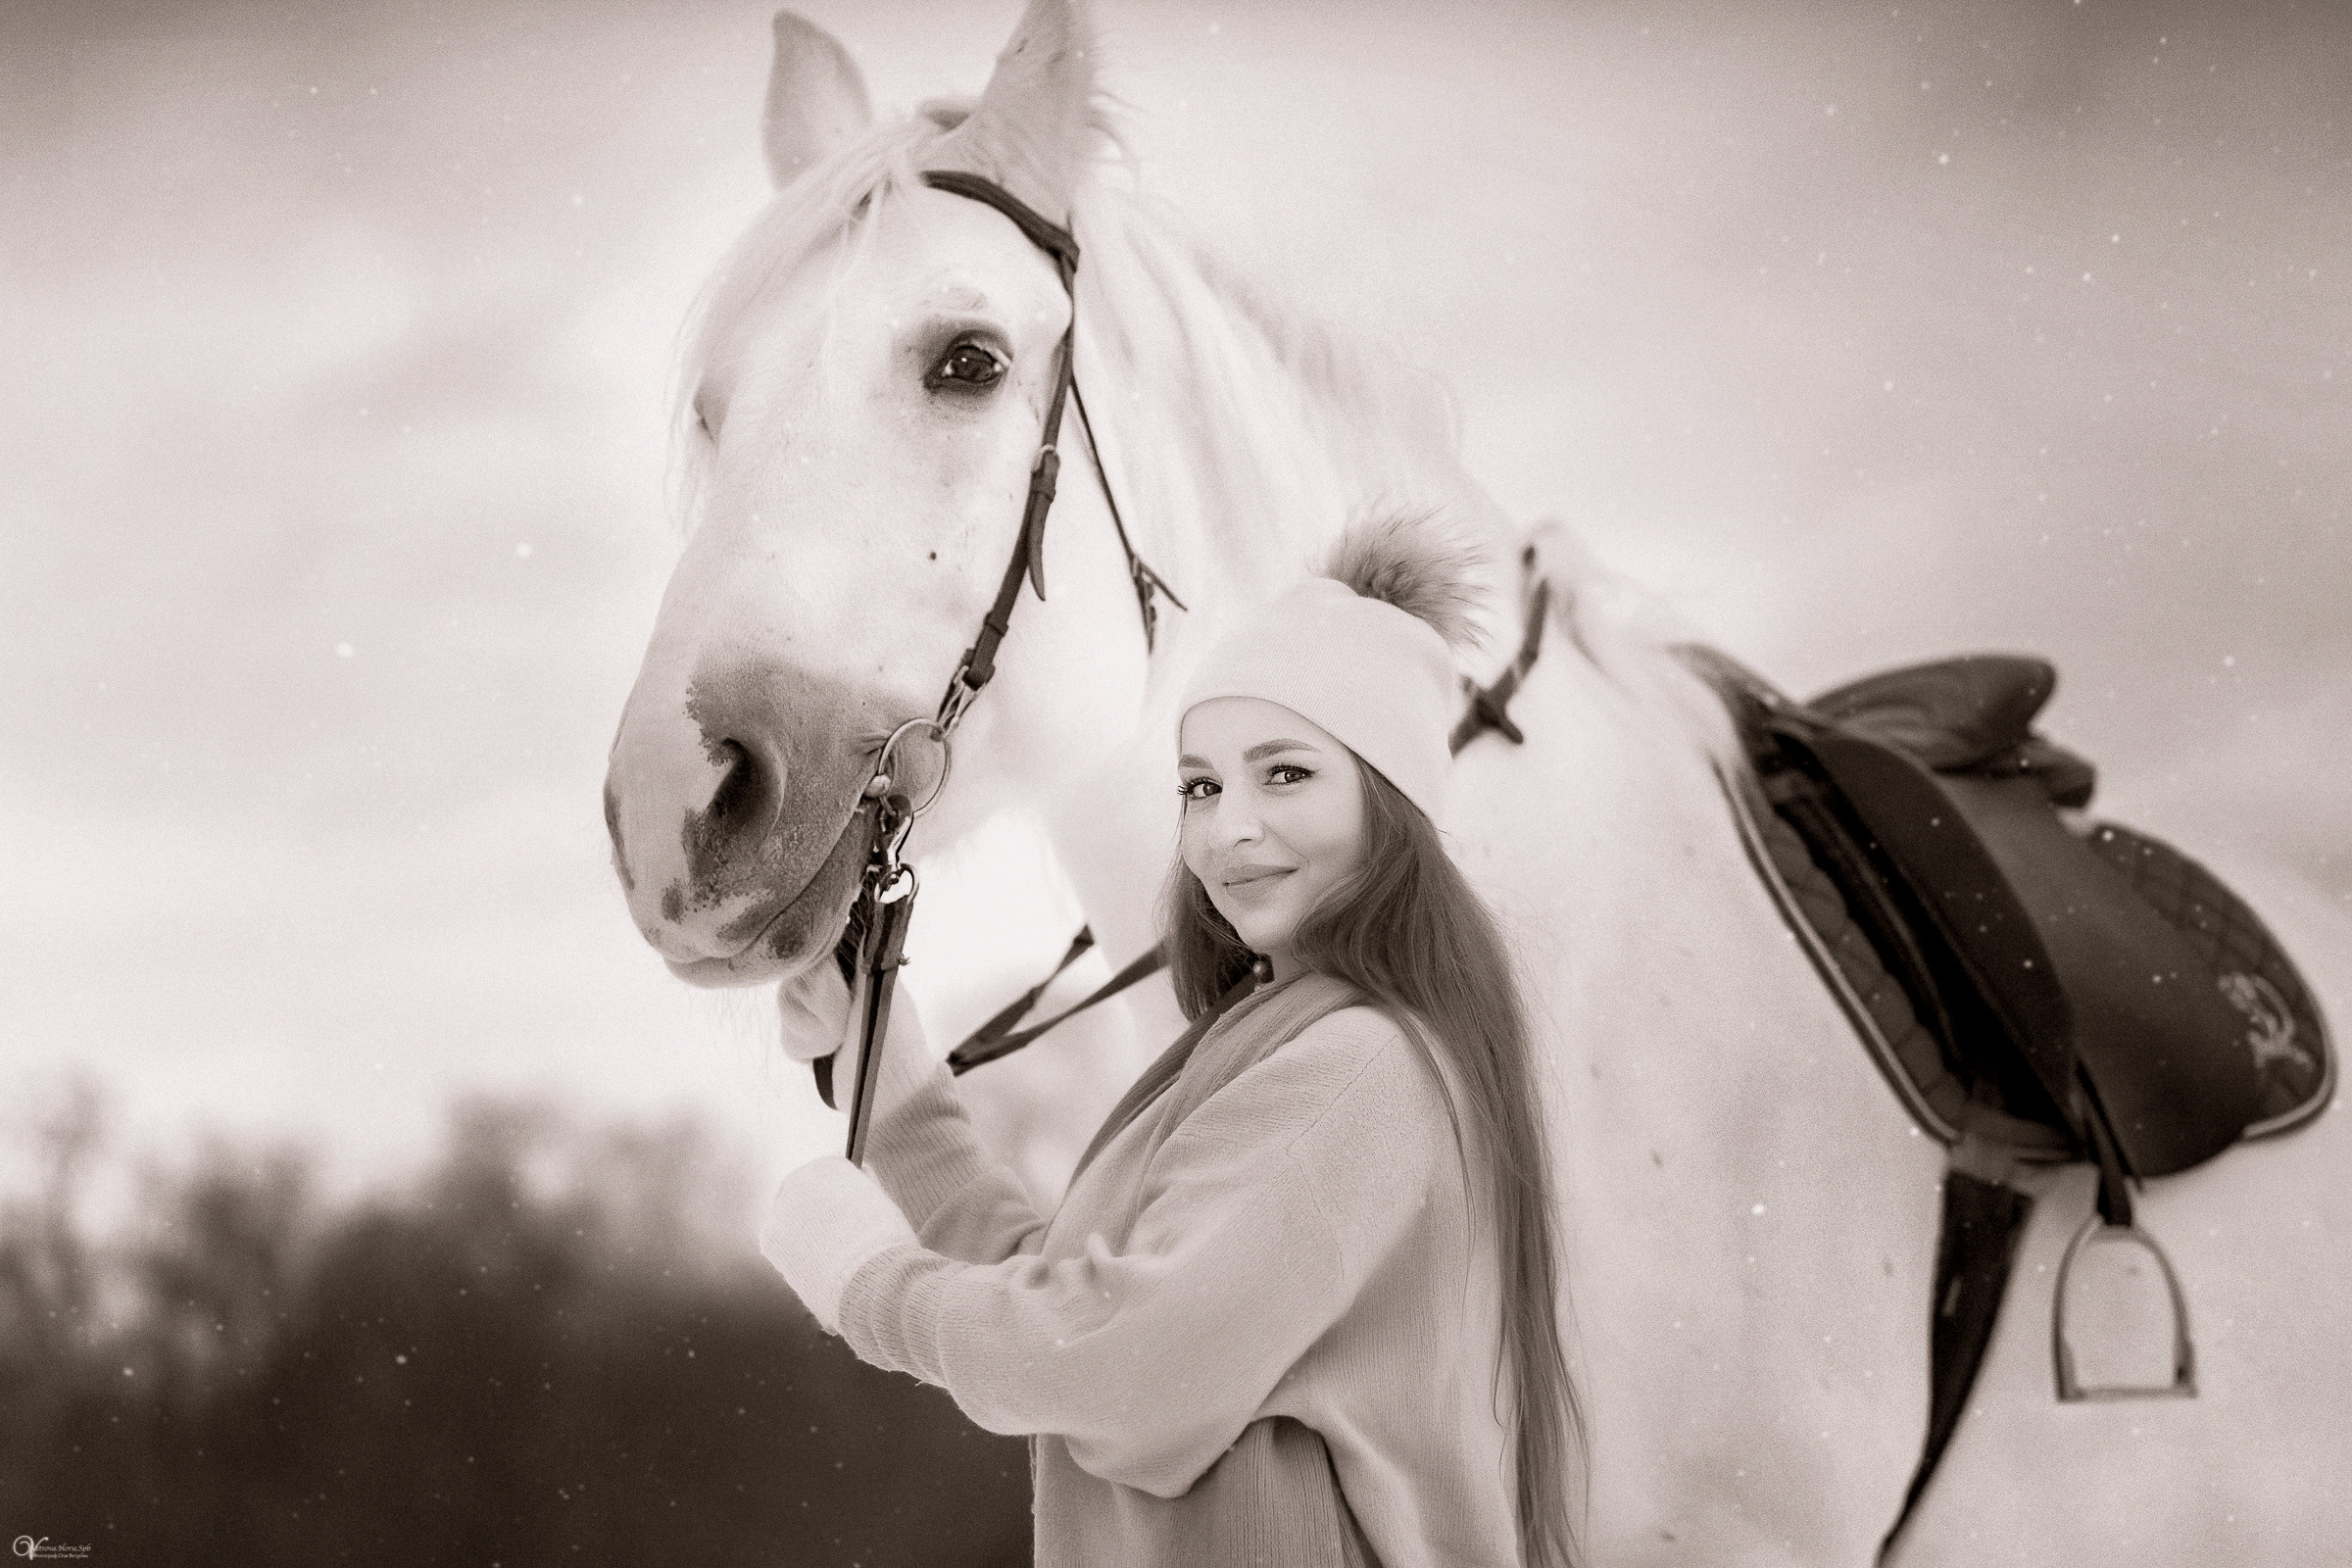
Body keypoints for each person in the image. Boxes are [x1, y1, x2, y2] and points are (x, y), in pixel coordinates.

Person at [761, 520, 1581, 1568]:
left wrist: (868, 1284)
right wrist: (891, 1082)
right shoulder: (1271, 1041)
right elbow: (1073, 1295)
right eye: (1201, 785)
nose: (1227, 827)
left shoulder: (1356, 1066)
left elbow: (1119, 1368)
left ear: (1391, 807)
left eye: (1285, 774)